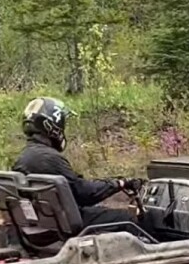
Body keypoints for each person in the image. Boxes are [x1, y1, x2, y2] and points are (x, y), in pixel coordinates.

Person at [12, 96, 146, 228]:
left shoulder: (24, 157)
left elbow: (75, 187)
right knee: (127, 219)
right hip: (67, 224)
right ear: (52, 124)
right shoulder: (50, 158)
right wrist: (119, 183)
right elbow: (85, 194)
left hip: (48, 221)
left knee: (102, 211)